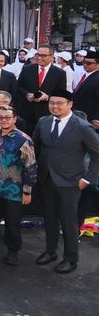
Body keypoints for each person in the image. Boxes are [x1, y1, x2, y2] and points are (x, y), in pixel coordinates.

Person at [32, 89, 99, 274]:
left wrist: (88, 179)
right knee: (49, 218)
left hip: (71, 182)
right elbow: (36, 149)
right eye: (52, 102)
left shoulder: (82, 127)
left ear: (70, 104)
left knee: (69, 222)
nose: (55, 106)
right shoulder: (43, 122)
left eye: (60, 103)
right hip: (46, 179)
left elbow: (97, 155)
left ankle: (71, 259)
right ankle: (50, 251)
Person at [0, 105, 37, 266]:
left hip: (14, 190)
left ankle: (13, 251)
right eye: (1, 117)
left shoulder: (24, 139)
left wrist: (27, 191)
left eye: (7, 117)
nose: (4, 120)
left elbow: (30, 166)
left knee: (12, 223)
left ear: (14, 119)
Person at [16, 45, 68, 132]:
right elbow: (19, 87)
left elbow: (61, 94)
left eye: (43, 55)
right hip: (26, 113)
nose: (39, 58)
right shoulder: (27, 69)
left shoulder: (59, 73)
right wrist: (27, 94)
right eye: (38, 55)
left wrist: (47, 97)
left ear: (52, 56)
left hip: (46, 113)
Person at [72, 50, 99, 131]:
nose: (85, 65)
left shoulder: (97, 78)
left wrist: (97, 119)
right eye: (84, 62)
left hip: (91, 119)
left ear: (98, 64)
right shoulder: (86, 75)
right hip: (79, 117)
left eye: (89, 63)